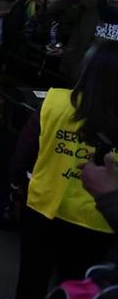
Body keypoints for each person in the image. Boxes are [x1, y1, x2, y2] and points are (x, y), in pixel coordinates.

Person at [9, 34, 118, 299]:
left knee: (31, 279)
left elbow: (24, 150)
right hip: (96, 218)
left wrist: (14, 182)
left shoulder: (54, 102)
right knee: (78, 284)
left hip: (44, 206)